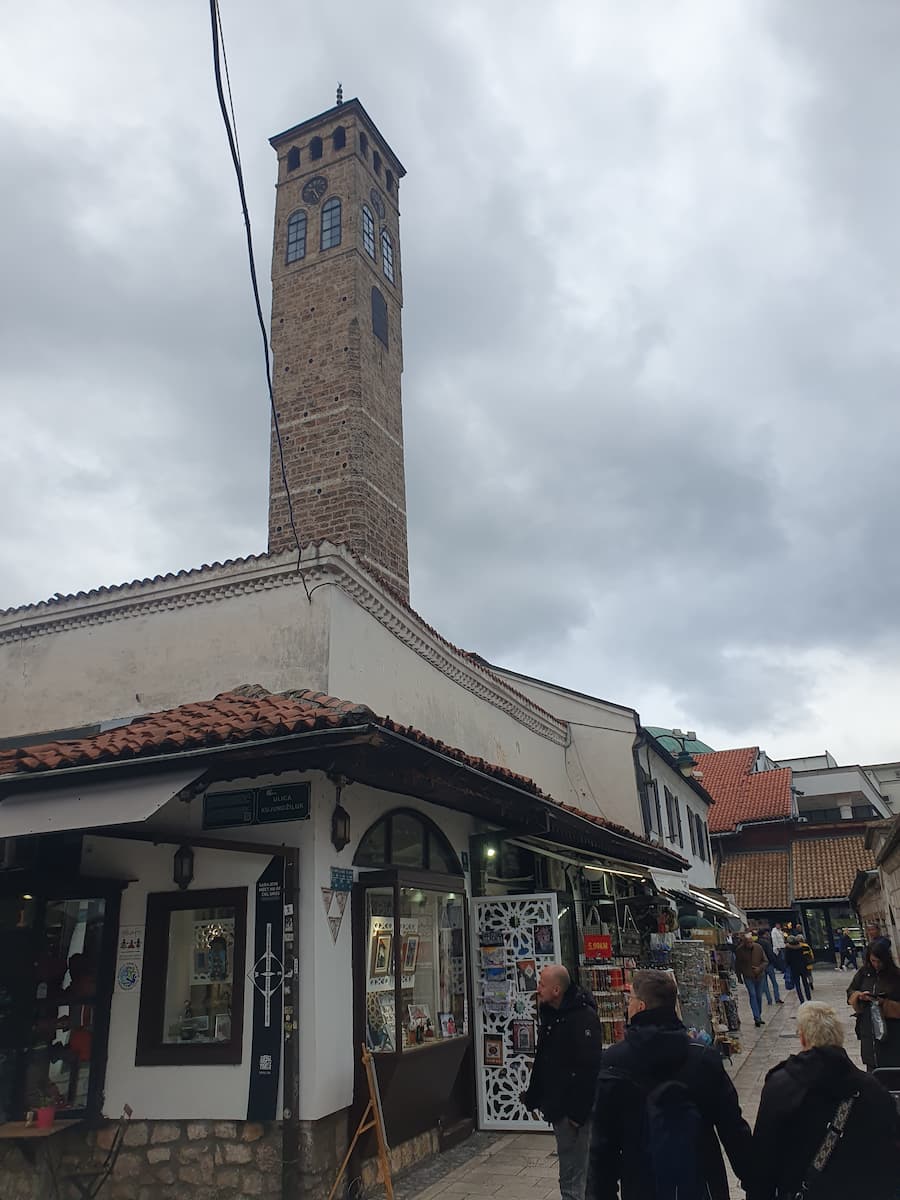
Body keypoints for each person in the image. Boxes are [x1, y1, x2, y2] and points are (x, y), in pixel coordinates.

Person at [589, 969, 754, 1200]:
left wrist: (601, 1193)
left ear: (641, 1007)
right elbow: (733, 1129)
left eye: (631, 1000)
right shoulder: (703, 1058)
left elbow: (603, 1144)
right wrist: (755, 1181)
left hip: (643, 1185)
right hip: (701, 1183)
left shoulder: (616, 1061)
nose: (628, 1005)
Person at [750, 1001, 900, 1199]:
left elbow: (764, 1156)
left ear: (803, 1038)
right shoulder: (873, 1091)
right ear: (839, 1038)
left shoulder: (781, 1087)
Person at [521, 964, 603, 1200]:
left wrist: (577, 1114)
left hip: (573, 1112)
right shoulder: (551, 1015)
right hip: (558, 1107)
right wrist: (535, 1096)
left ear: (557, 990)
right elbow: (545, 1061)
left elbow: (588, 1068)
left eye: (542, 984)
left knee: (572, 1177)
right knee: (574, 1172)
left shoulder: (583, 1019)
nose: (538, 988)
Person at [847, 935, 900, 1070]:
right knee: (873, 1067)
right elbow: (851, 991)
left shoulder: (895, 976)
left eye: (879, 961)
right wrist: (859, 996)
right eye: (873, 961)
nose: (876, 965)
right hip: (868, 1027)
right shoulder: (864, 973)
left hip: (892, 1031)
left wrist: (884, 1003)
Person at [734, 932, 767, 1027]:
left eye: (751, 942)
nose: (750, 944)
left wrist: (759, 968)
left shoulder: (758, 948)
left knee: (759, 996)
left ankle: (759, 1015)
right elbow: (738, 965)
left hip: (759, 976)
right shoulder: (740, 950)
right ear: (744, 942)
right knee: (752, 995)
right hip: (748, 976)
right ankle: (756, 1017)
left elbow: (765, 961)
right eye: (748, 942)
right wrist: (739, 976)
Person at [756, 931, 783, 1007]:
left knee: (765, 984)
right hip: (768, 964)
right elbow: (770, 954)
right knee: (774, 982)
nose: (768, 935)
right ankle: (777, 998)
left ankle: (769, 1000)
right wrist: (775, 963)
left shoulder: (756, 943)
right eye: (767, 934)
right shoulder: (766, 943)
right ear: (764, 934)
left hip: (761, 965)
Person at [785, 936, 812, 1002]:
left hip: (794, 967)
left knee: (797, 984)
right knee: (805, 982)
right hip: (802, 966)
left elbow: (787, 959)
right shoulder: (800, 947)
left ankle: (801, 999)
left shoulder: (788, 948)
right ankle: (808, 997)